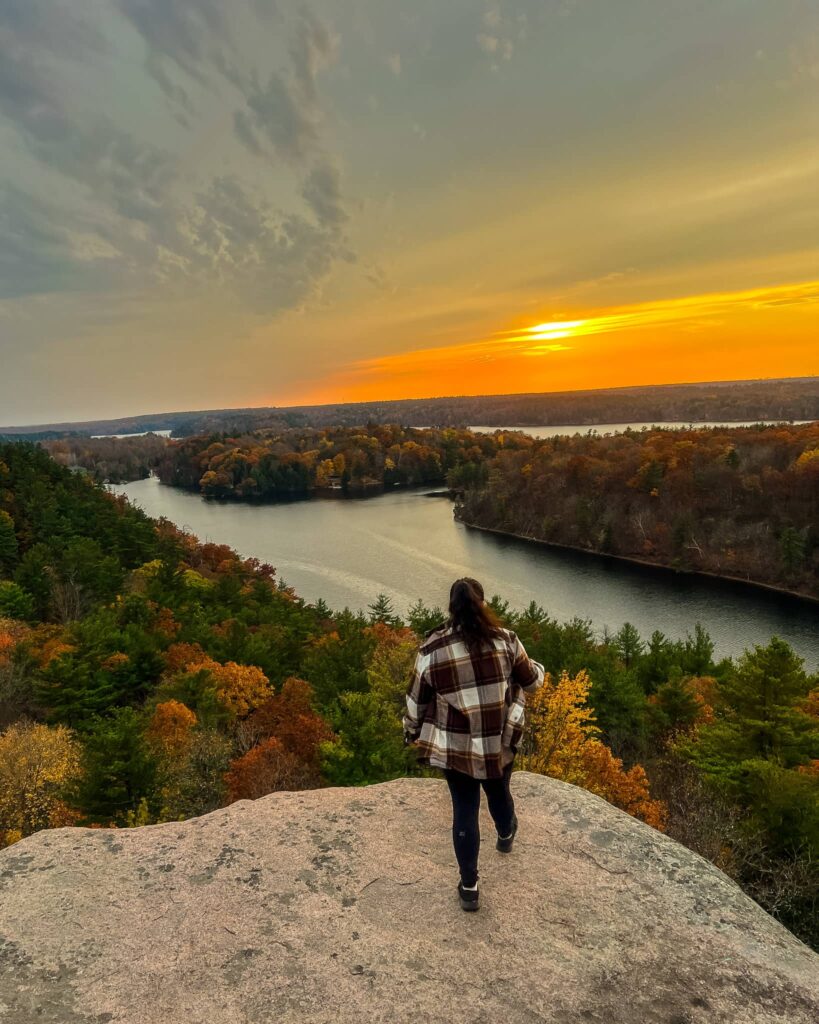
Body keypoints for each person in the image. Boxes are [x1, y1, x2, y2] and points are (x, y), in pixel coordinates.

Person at [403, 577, 544, 911]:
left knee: (464, 809)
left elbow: (415, 704)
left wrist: (410, 732)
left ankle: (469, 887)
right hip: (499, 740)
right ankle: (506, 832)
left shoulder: (432, 650)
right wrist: (535, 668)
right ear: (484, 603)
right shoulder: (507, 641)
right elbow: (534, 682)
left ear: (451, 608)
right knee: (498, 791)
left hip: (456, 749)